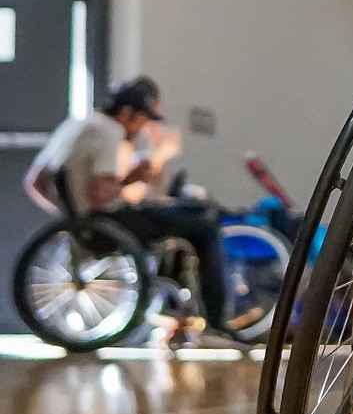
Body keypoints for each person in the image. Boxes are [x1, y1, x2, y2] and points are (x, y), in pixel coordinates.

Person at [24, 77, 233, 335]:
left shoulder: (75, 124)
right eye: (141, 120)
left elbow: (34, 182)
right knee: (204, 224)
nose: (141, 128)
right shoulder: (109, 131)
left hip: (92, 222)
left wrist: (71, 220)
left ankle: (183, 311)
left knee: (184, 211)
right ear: (126, 113)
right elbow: (100, 192)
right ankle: (217, 320)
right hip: (110, 221)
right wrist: (131, 179)